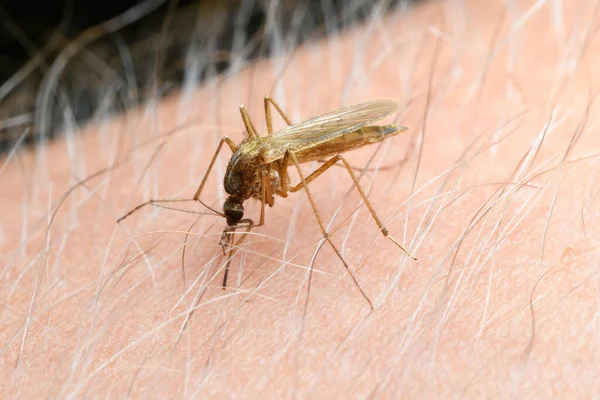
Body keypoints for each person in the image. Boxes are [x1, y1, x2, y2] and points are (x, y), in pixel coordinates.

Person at [2, 0, 595, 397]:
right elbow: (241, 156)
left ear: (236, 198)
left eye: (232, 213)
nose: (234, 217)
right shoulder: (238, 179)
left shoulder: (248, 175)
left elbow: (254, 156)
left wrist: (282, 157)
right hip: (275, 150)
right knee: (246, 131)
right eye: (234, 213)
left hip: (300, 145)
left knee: (323, 153)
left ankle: (377, 234)